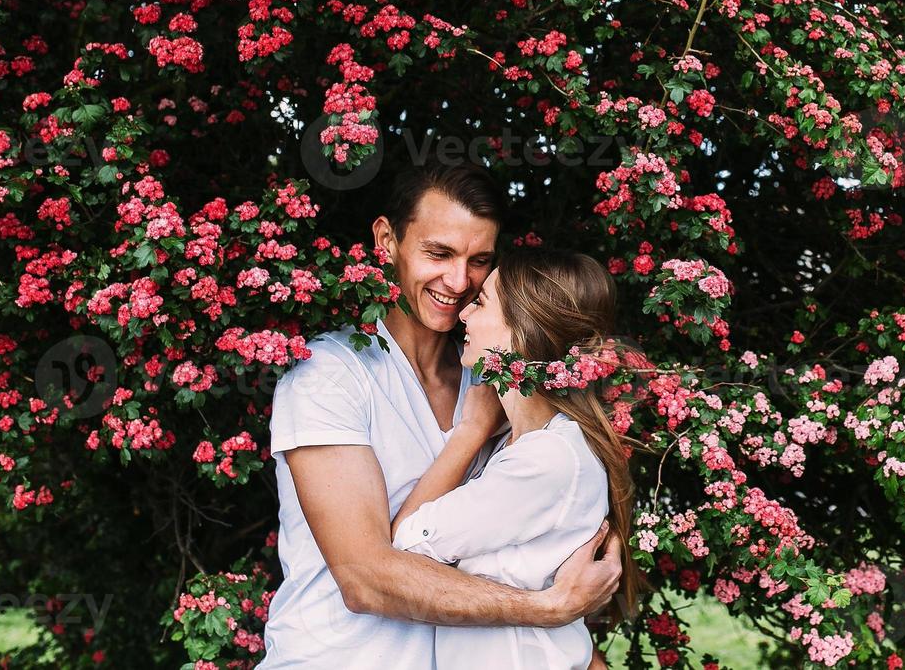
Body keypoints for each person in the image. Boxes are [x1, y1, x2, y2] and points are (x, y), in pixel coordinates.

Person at [260, 161, 622, 669]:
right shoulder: (329, 376)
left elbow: (519, 570)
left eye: (479, 261)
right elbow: (366, 579)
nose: (458, 281)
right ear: (387, 240)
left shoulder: (494, 377)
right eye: (439, 252)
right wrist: (551, 608)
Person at [389, 247, 643, 669]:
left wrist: (468, 432)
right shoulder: (523, 441)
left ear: (521, 332)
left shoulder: (547, 458)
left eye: (483, 302)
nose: (465, 314)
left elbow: (405, 544)